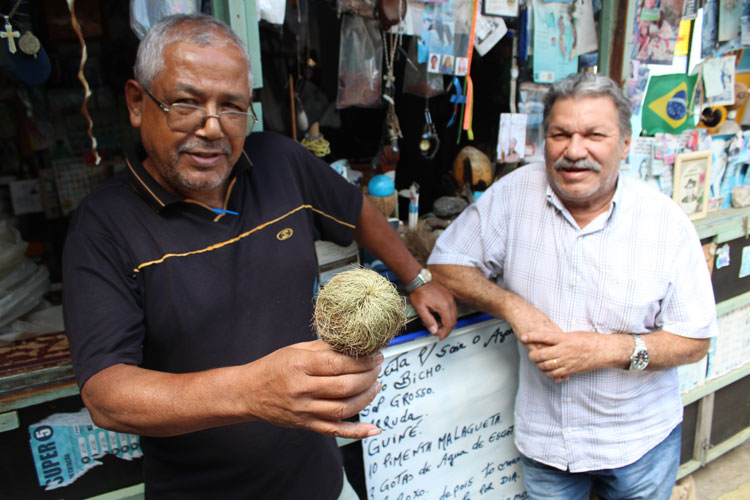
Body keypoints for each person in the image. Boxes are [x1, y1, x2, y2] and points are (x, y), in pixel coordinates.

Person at [62, 13, 456, 500]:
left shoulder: (280, 161)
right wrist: (251, 392)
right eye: (186, 103)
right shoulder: (102, 228)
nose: (211, 128)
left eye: (231, 107)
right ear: (137, 103)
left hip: (324, 484)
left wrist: (417, 278)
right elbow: (107, 395)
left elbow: (356, 210)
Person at [428, 73, 716, 500]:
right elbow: (445, 265)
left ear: (625, 144)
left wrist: (603, 350)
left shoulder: (665, 223)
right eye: (560, 134)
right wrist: (514, 306)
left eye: (594, 135)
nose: (574, 150)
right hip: (547, 444)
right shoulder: (514, 195)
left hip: (638, 444)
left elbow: (694, 340)